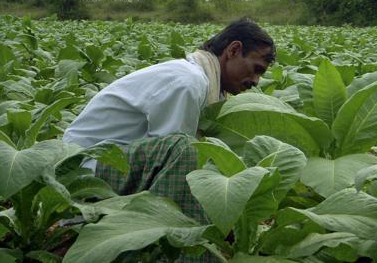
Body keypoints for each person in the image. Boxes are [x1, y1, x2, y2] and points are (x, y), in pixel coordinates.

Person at [63, 18, 275, 259]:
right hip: (84, 171)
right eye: (256, 69)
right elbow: (177, 163)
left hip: (114, 163)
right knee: (185, 151)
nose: (257, 81)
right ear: (233, 50)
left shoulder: (205, 83)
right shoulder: (189, 81)